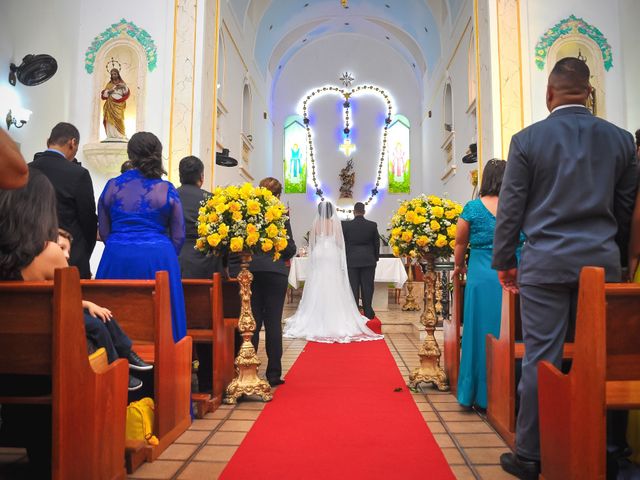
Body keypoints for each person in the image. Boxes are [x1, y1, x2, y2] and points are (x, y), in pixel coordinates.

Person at [492, 57, 637, 479]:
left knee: (543, 357)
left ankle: (532, 455)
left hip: (545, 265)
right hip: (603, 264)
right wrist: (624, 262)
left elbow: (512, 208)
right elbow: (625, 208)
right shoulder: (621, 140)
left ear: (549, 93)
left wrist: (504, 260)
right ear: (589, 93)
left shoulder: (527, 140)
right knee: (603, 357)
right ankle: (610, 451)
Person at [96, 131, 188, 342]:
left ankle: (114, 358)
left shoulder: (112, 185)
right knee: (162, 316)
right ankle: (166, 359)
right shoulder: (165, 189)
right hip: (158, 257)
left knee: (115, 311)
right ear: (158, 154)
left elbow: (104, 229)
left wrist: (119, 245)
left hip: (117, 256)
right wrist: (165, 254)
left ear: (130, 154)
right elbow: (179, 234)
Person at [453, 159, 523, 411]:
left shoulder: (472, 208)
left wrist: (458, 267)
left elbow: (460, 243)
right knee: (512, 329)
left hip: (481, 272)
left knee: (477, 330)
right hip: (515, 269)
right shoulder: (517, 206)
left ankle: (477, 393)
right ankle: (510, 392)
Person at [57, 229, 151, 391]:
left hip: (63, 310)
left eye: (68, 251)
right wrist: (87, 304)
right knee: (96, 325)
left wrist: (88, 304)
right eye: (61, 248)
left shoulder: (61, 268)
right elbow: (57, 299)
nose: (66, 255)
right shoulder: (49, 267)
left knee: (103, 314)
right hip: (59, 315)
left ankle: (126, 353)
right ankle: (115, 366)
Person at [228, 177, 296, 386]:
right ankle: (274, 374)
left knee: (251, 322)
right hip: (275, 273)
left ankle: (248, 371)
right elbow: (290, 248)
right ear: (278, 196)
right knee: (274, 322)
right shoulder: (280, 217)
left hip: (251, 272)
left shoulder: (248, 212)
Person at [284, 201, 383, 344]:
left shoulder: (315, 224)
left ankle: (317, 314)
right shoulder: (336, 224)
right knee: (334, 282)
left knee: (318, 282)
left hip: (319, 253)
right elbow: (339, 242)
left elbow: (312, 243)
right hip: (332, 254)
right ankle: (340, 313)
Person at [177, 155, 223, 392]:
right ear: (201, 178)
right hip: (205, 263)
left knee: (177, 319)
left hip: (175, 261)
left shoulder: (171, 195)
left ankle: (178, 377)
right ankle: (205, 382)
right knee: (205, 321)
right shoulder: (210, 199)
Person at [30, 122, 97, 279]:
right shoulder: (79, 174)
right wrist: (84, 251)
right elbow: (88, 219)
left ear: (48, 141)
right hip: (70, 257)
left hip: (31, 254)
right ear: (72, 143)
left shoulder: (27, 170)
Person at [341, 201, 380, 320]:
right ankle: (368, 311)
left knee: (353, 286)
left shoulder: (346, 225)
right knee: (367, 286)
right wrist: (375, 258)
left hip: (351, 260)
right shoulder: (372, 225)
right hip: (368, 260)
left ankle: (354, 312)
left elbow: (342, 243)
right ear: (364, 212)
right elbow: (376, 243)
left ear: (354, 212)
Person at [101, 67, 130, 140]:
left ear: (118, 74)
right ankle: (110, 135)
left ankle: (120, 134)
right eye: (112, 74)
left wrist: (124, 87)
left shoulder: (122, 83)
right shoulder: (109, 84)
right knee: (109, 119)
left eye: (115, 74)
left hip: (119, 103)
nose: (114, 75)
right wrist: (108, 92)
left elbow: (126, 93)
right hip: (110, 103)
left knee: (119, 118)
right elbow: (104, 94)